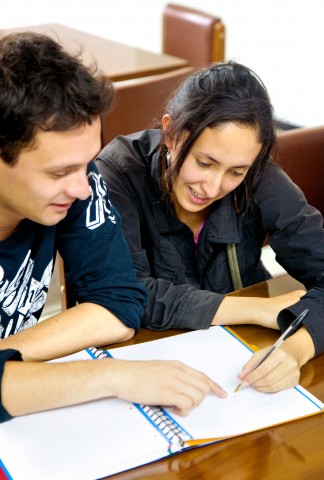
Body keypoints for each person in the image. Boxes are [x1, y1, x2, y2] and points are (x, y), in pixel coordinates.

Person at [0, 32, 227, 424]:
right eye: (59, 172)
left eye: (86, 162)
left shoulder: (74, 184)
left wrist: (8, 359)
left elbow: (119, 305)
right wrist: (109, 375)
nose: (82, 187)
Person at [96, 61, 324, 394]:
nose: (214, 186)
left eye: (236, 172)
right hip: (146, 367)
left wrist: (296, 348)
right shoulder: (116, 173)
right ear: (171, 134)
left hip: (242, 362)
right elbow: (122, 294)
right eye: (204, 163)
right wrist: (257, 309)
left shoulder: (258, 175)